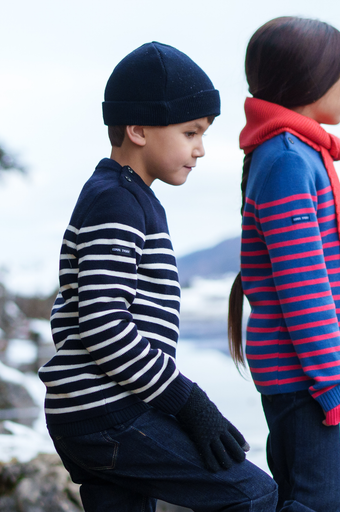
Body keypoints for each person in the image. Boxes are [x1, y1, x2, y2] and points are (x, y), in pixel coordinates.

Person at [40, 42, 277, 511]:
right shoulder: (117, 202)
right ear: (138, 129)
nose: (201, 149)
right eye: (191, 132)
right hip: (107, 415)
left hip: (96, 412)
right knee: (253, 495)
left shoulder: (124, 197)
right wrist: (190, 404)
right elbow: (104, 326)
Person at [227, 16, 340, 511]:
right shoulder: (287, 159)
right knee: (314, 505)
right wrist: (331, 381)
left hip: (308, 373)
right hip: (302, 377)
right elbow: (302, 288)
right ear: (311, 79)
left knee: (301, 500)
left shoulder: (300, 152)